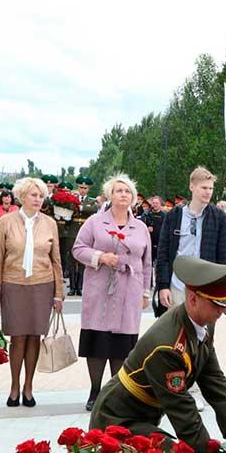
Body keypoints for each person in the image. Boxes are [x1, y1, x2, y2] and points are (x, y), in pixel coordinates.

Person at [89, 256, 226, 453]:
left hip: (143, 416)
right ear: (193, 299)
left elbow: (214, 381)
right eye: (217, 304)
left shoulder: (204, 324)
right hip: (117, 420)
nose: (223, 311)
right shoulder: (167, 346)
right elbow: (183, 413)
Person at [72, 173, 153, 412]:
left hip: (130, 290)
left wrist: (146, 292)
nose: (123, 195)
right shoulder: (95, 222)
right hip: (100, 290)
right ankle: (95, 390)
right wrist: (100, 257)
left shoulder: (140, 227)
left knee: (122, 344)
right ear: (110, 195)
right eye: (119, 191)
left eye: (128, 191)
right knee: (97, 341)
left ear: (134, 198)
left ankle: (115, 392)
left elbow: (147, 262)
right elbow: (78, 249)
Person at [0, 177, 64, 407]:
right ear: (22, 197)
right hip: (13, 284)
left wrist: (59, 293)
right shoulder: (6, 221)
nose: (38, 199)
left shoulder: (50, 223)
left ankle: (29, 387)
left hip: (42, 285)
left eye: (41, 196)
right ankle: (14, 387)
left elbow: (57, 259)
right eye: (33, 195)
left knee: (34, 338)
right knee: (18, 337)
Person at [156, 167, 226, 310]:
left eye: (211, 188)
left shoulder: (219, 217)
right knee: (177, 331)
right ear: (191, 187)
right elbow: (163, 254)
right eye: (204, 187)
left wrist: (222, 288)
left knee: (204, 332)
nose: (208, 192)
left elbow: (224, 256)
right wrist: (163, 286)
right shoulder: (173, 216)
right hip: (177, 286)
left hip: (207, 287)